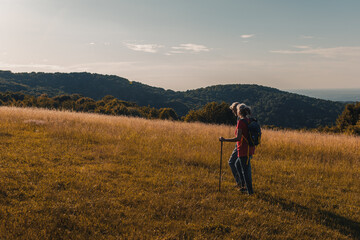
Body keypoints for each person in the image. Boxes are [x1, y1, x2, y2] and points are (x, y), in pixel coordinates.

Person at [219, 103, 255, 194]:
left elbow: (238, 138)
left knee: (245, 171)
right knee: (237, 165)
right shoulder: (249, 120)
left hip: (243, 150)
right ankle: (243, 186)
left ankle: (250, 192)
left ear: (239, 112)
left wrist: (225, 140)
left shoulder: (241, 122)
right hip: (250, 148)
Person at [227, 102, 243, 188]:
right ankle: (242, 183)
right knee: (239, 164)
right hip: (242, 145)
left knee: (231, 162)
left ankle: (240, 182)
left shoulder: (240, 120)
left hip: (240, 145)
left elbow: (238, 137)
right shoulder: (242, 118)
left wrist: (225, 140)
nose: (233, 112)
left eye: (233, 110)